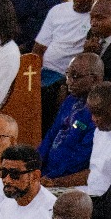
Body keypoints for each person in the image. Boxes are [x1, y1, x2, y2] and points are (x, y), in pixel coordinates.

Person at [38, 53, 103, 182]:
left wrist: (50, 178)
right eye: (67, 74)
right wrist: (34, 164)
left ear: (95, 79)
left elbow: (81, 156)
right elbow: (52, 134)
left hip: (65, 179)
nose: (68, 81)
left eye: (74, 76)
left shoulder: (100, 112)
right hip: (45, 172)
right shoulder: (70, 100)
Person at [33, 0, 102, 88]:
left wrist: (100, 1)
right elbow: (39, 49)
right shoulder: (57, 10)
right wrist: (33, 76)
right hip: (43, 70)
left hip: (67, 78)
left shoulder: (97, 19)